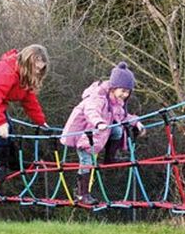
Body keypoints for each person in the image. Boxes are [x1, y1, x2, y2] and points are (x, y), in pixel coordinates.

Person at [60, 62, 145, 205]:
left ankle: (109, 158)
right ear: (113, 87)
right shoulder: (98, 96)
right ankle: (82, 194)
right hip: (83, 133)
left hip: (98, 134)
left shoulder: (117, 101)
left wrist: (137, 122)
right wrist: (99, 122)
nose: (125, 95)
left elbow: (122, 117)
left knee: (117, 129)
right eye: (122, 91)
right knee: (86, 162)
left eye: (127, 92)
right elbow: (91, 111)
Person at [0, 44, 50, 181]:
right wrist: (0, 122)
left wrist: (40, 121)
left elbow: (29, 100)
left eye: (40, 69)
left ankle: (12, 162)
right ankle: (0, 165)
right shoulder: (6, 72)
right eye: (35, 68)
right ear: (27, 63)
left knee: (10, 128)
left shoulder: (25, 76)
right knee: (5, 128)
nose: (37, 71)